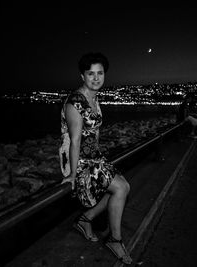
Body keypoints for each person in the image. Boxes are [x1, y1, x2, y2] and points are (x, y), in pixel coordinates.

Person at [58, 52, 132, 265]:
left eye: (100, 73)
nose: (96, 78)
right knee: (121, 188)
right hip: (79, 160)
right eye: (91, 74)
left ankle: (85, 219)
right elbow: (75, 141)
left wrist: (100, 157)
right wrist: (72, 174)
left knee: (119, 189)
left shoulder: (94, 96)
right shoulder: (75, 102)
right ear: (82, 76)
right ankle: (115, 240)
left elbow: (95, 132)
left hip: (93, 157)